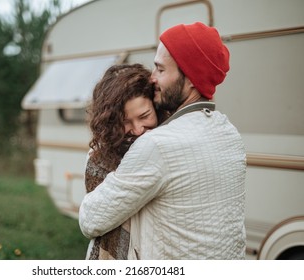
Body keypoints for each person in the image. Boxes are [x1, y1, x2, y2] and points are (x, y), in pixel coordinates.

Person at [79, 22, 247, 259]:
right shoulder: (228, 132)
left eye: (160, 69)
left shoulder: (157, 146)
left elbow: (90, 220)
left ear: (190, 78)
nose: (152, 78)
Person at [84, 63, 168, 260]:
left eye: (144, 116)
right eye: (125, 122)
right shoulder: (98, 158)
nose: (138, 129)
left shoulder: (168, 146)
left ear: (156, 107)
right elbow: (95, 219)